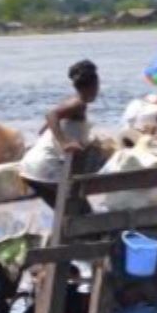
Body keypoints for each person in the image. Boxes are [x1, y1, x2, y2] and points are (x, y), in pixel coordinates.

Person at [19, 60, 99, 207]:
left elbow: (47, 126)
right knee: (79, 210)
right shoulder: (78, 104)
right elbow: (51, 115)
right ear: (94, 85)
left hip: (31, 166)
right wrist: (64, 142)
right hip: (45, 168)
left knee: (65, 213)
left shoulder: (71, 101)